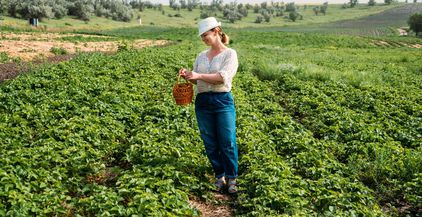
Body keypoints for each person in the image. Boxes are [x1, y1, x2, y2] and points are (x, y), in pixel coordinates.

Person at [179, 17, 239, 194]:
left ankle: (232, 178)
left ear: (216, 31)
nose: (204, 39)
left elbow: (223, 77)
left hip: (222, 101)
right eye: (202, 36)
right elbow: (198, 83)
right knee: (210, 141)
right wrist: (188, 76)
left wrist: (198, 76)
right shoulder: (201, 56)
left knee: (227, 140)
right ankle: (219, 176)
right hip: (203, 101)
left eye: (206, 35)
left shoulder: (230, 54)